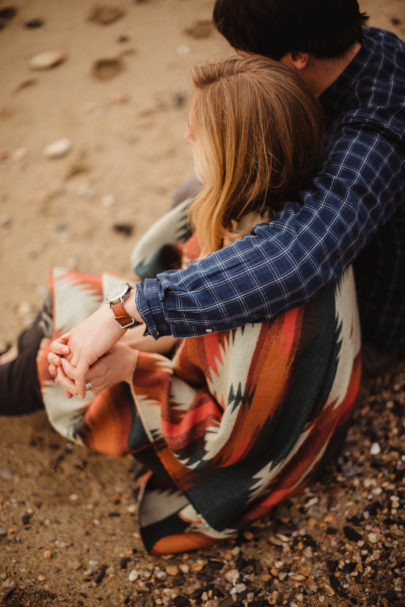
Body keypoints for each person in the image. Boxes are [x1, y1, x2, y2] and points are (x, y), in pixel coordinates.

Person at [1, 57, 361, 554]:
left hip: (257, 444)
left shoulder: (270, 324)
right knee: (73, 328)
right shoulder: (285, 215)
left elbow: (226, 443)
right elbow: (180, 296)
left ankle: (19, 371)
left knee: (48, 359)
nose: (188, 136)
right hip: (212, 365)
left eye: (201, 131)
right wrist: (121, 330)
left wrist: (133, 366)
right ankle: (25, 360)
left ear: (238, 156)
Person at [53, 0, 404, 390]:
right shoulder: (361, 50)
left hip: (360, 321)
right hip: (303, 258)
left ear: (298, 57)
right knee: (196, 196)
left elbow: (296, 257)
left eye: (250, 58)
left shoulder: (381, 132)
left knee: (67, 349)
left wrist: (127, 311)